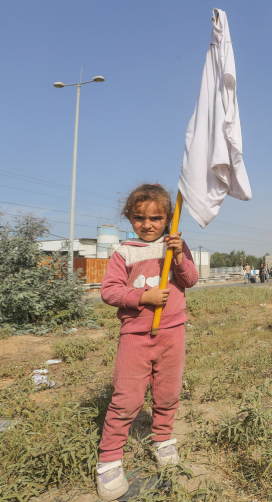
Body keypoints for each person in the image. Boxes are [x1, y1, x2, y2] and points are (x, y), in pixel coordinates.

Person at [96, 184, 199, 501]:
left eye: (156, 218)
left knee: (168, 391)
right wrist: (144, 296)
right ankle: (109, 459)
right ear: (129, 217)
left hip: (173, 332)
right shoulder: (123, 252)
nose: (148, 224)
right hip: (135, 337)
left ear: (168, 217)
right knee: (126, 398)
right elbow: (109, 291)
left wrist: (179, 256)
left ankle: (163, 438)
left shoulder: (175, 246)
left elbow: (190, 280)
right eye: (139, 218)